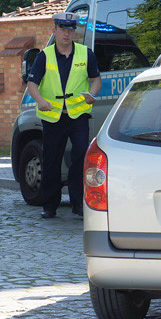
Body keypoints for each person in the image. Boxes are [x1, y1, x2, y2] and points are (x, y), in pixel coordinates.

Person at [26, 12, 102, 219]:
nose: (66, 34)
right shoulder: (45, 55)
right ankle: (50, 205)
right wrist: (40, 101)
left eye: (70, 30)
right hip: (53, 116)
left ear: (74, 32)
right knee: (51, 160)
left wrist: (92, 94)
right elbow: (32, 83)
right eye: (62, 30)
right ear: (55, 31)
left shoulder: (86, 54)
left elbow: (96, 80)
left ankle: (78, 203)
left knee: (80, 158)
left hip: (78, 116)